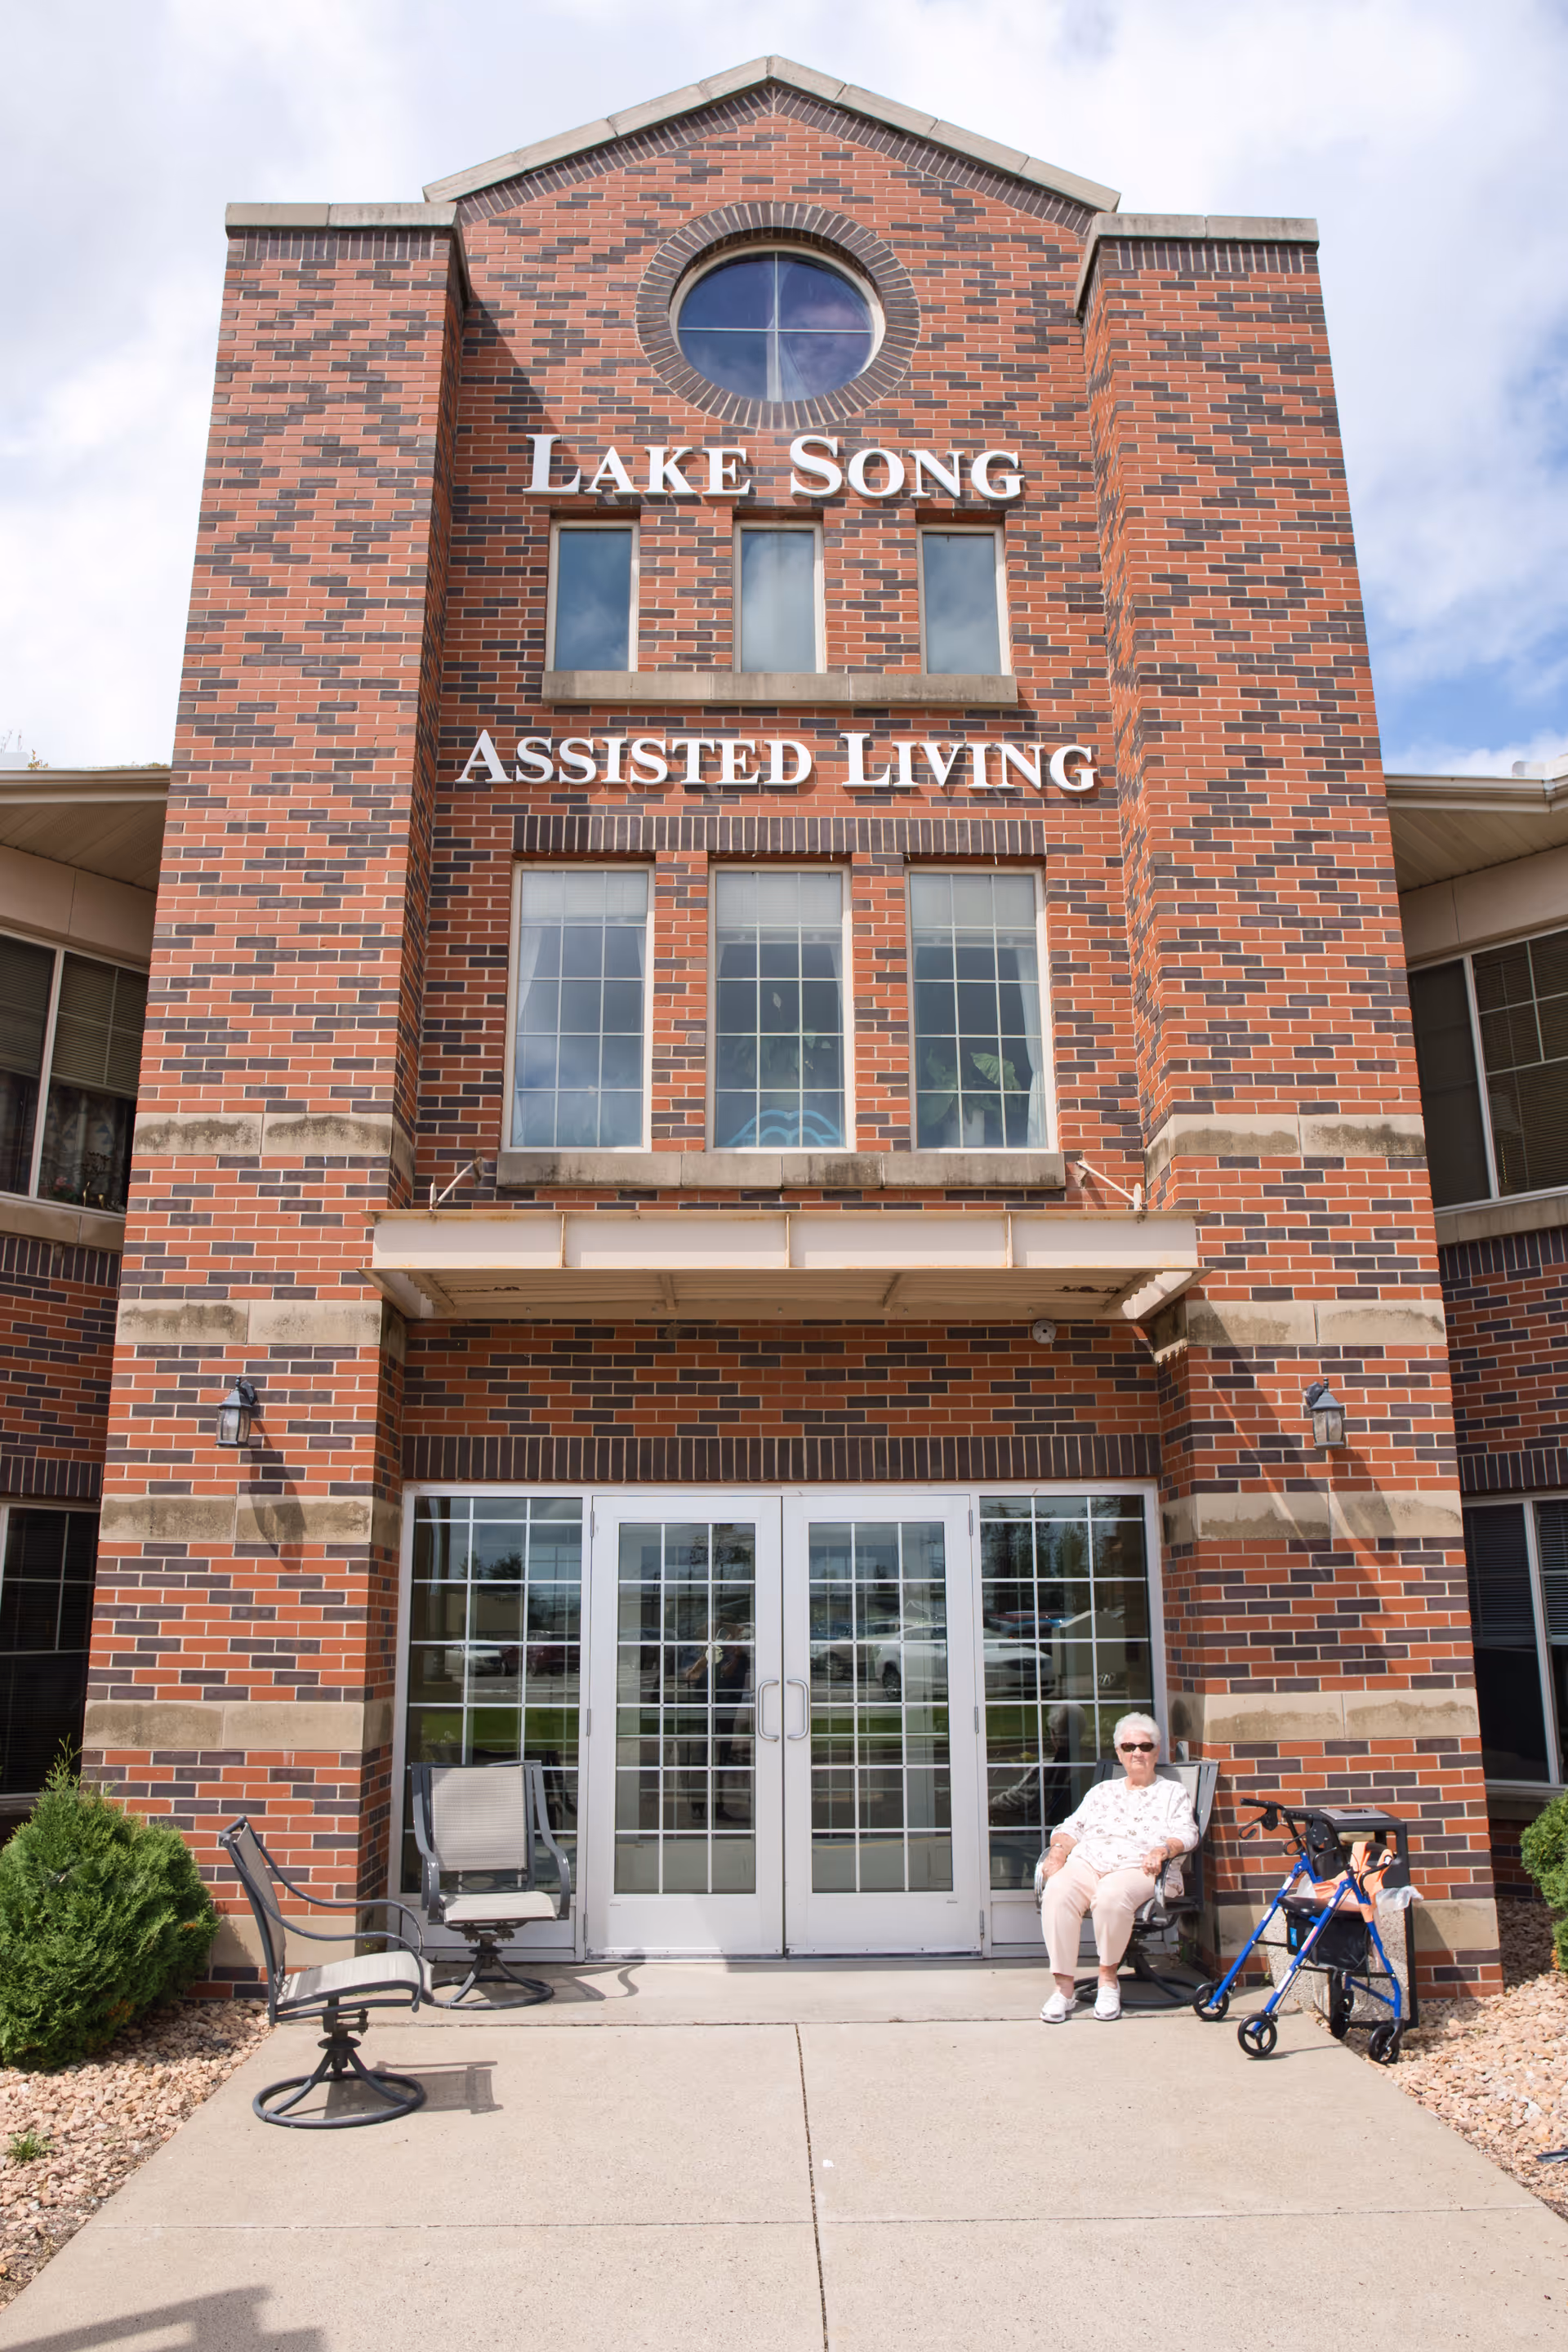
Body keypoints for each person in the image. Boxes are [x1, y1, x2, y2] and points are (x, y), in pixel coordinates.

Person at [1036, 1713, 1198, 2023]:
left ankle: (1108, 1980)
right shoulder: (1102, 1792)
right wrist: (1058, 1852)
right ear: (1119, 1752)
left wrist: (1163, 1849)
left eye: (1145, 1746)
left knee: (1110, 1896)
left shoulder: (1172, 1792)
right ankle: (1063, 1989)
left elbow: (1187, 1833)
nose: (1137, 1752)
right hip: (1089, 1861)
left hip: (1140, 1866)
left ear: (1157, 1751)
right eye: (1129, 1746)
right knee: (1057, 1890)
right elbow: (1072, 1826)